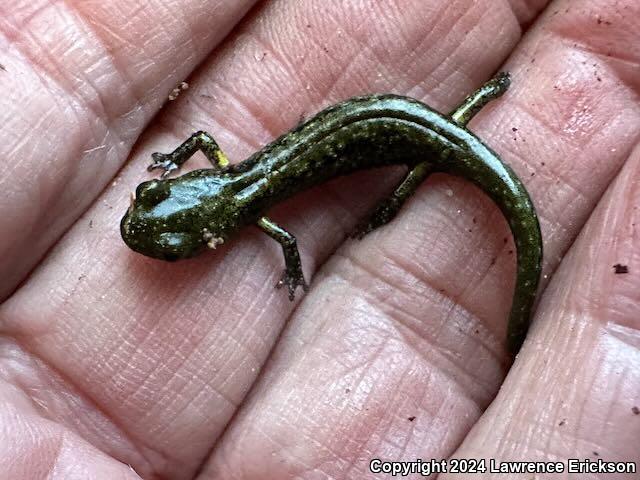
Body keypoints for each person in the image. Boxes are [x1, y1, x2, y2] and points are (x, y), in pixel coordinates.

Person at [0, 0, 638, 478]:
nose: (156, 229)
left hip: (409, 134)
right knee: (434, 146)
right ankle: (470, 112)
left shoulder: (258, 215)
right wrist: (177, 161)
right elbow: (199, 148)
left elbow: (280, 237)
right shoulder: (228, 176)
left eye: (173, 241)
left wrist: (314, 255)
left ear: (215, 234)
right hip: (405, 124)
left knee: (429, 157)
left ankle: (453, 138)